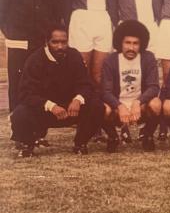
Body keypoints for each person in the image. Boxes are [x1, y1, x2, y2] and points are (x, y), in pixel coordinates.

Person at [10, 25, 103, 157]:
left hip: (70, 110)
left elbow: (86, 84)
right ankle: (27, 145)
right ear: (46, 42)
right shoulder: (35, 60)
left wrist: (78, 99)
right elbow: (26, 93)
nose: (60, 46)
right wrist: (51, 106)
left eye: (63, 42)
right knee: (20, 113)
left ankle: (81, 143)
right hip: (45, 111)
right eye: (55, 42)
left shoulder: (74, 56)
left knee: (97, 106)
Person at [0, 0, 61, 112]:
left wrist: (50, 38)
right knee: (18, 83)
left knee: (40, 84)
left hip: (42, 43)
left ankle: (38, 130)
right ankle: (18, 128)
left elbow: (57, 15)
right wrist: (11, 34)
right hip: (17, 43)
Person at [101, 20, 161, 152]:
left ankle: (148, 135)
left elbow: (154, 87)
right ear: (120, 43)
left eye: (135, 43)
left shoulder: (148, 57)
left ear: (142, 44)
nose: (131, 48)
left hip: (140, 105)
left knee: (156, 103)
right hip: (118, 106)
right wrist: (119, 106)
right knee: (103, 109)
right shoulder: (111, 60)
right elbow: (105, 91)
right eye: (127, 43)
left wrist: (137, 102)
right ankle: (113, 137)